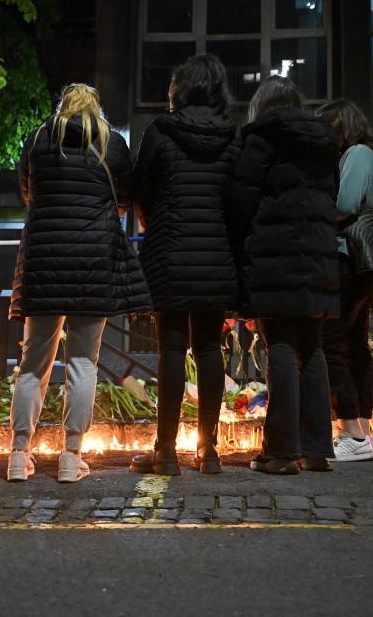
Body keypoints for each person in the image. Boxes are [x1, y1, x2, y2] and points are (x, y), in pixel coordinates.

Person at [8, 83, 151, 483]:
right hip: (94, 259)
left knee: (34, 362)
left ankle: (19, 454)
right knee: (83, 361)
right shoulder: (113, 144)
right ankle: (71, 456)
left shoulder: (38, 139)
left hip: (44, 259)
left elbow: (27, 192)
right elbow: (123, 198)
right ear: (96, 107)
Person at [130, 54, 241, 476]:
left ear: (181, 89)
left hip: (170, 253)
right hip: (216, 255)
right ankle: (209, 451)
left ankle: (166, 452)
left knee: (171, 349)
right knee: (211, 348)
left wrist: (153, 223)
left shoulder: (160, 131)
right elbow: (238, 197)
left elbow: (141, 188)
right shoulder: (233, 137)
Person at [229, 76, 341, 474]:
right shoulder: (326, 144)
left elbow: (242, 198)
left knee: (280, 344)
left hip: (274, 257)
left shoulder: (262, 139)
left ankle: (280, 452)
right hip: (319, 256)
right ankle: (315, 449)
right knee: (312, 348)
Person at [316, 99, 373, 461]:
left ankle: (352, 433)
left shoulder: (357, 154)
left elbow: (343, 203)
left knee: (331, 342)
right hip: (358, 262)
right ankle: (362, 434)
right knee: (354, 346)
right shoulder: (365, 154)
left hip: (346, 259)